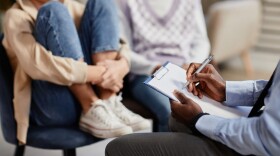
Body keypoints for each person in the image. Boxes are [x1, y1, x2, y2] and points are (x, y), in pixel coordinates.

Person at [2, 0, 150, 144]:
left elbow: (117, 40)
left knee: (102, 2)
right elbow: (37, 66)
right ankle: (90, 105)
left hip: (93, 98)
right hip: (50, 105)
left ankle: (108, 100)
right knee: (53, 9)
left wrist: (122, 65)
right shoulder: (15, 16)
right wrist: (100, 73)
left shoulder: (73, 6)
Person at [105, 60, 280, 156]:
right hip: (262, 126)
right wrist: (226, 90)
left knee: (118, 148)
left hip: (260, 145)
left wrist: (199, 119)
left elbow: (267, 138)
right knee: (176, 120)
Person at [115, 0, 210, 132]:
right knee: (171, 111)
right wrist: (153, 67)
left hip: (184, 70)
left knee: (207, 109)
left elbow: (201, 41)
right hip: (146, 73)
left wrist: (191, 64)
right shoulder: (124, 3)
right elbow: (123, 49)